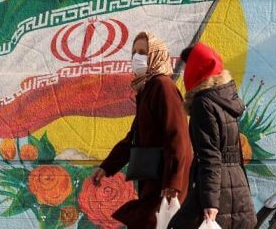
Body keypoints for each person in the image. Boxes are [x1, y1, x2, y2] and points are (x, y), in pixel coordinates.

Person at [91, 31, 193, 228]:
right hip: (154, 180)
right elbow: (134, 137)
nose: (136, 58)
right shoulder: (148, 89)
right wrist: (107, 167)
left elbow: (178, 136)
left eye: (143, 52)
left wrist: (173, 182)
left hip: (165, 183)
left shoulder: (163, 86)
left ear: (155, 55)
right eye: (134, 53)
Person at [168, 43, 257, 229]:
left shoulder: (203, 104)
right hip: (235, 183)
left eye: (186, 66)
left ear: (195, 69)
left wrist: (211, 202)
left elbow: (210, 156)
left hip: (216, 188)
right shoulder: (226, 99)